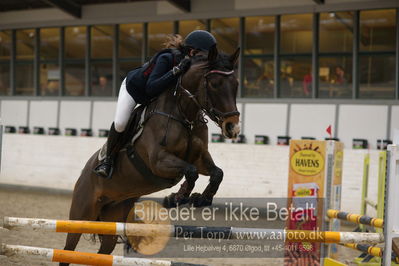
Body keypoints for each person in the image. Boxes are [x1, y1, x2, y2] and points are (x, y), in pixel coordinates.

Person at [94, 30, 218, 179]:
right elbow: (151, 87)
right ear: (192, 52)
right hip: (135, 90)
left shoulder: (192, 66)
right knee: (120, 123)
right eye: (203, 57)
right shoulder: (167, 58)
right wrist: (176, 71)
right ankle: (107, 160)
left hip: (157, 96)